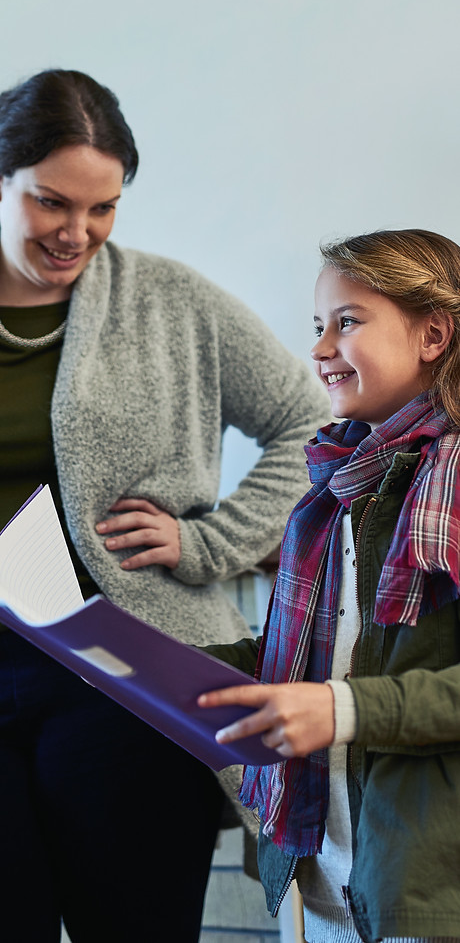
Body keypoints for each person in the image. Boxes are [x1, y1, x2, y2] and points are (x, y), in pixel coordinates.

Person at [0, 68, 328, 943]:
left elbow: (307, 423)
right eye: (51, 203)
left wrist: (207, 541)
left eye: (103, 209)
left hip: (126, 669)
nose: (78, 233)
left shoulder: (169, 302)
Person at [198, 229, 460, 943]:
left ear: (433, 334)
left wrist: (342, 710)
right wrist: (165, 671)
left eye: (346, 322)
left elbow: (346, 691)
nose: (318, 350)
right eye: (319, 325)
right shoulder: (336, 490)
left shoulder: (451, 484)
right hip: (323, 877)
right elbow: (329, 657)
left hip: (430, 887)